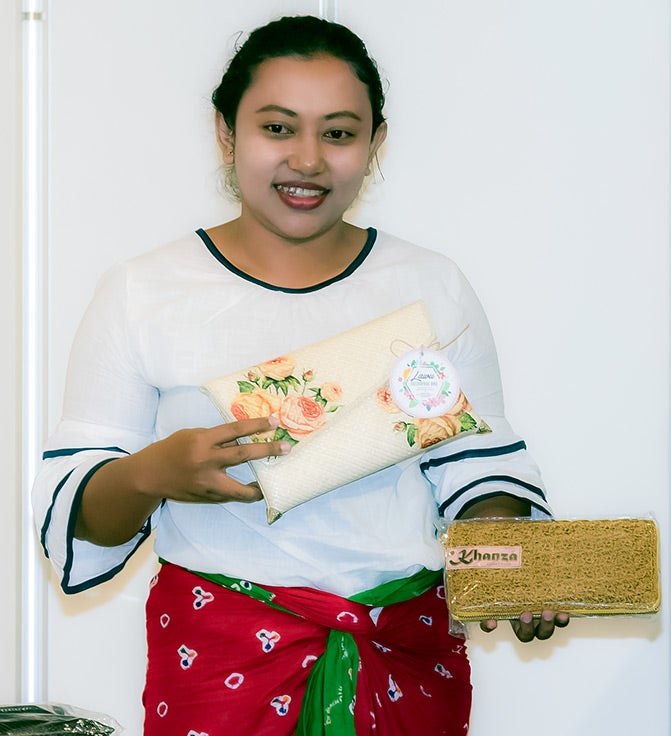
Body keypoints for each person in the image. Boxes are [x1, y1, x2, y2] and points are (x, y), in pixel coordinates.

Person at [32, 15, 568, 736]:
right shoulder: (143, 291)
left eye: (339, 133)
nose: (308, 159)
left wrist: (509, 558)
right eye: (278, 128)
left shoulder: (430, 286)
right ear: (226, 133)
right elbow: (82, 508)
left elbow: (476, 463)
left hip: (403, 653)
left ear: (375, 142)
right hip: (219, 658)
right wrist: (155, 471)